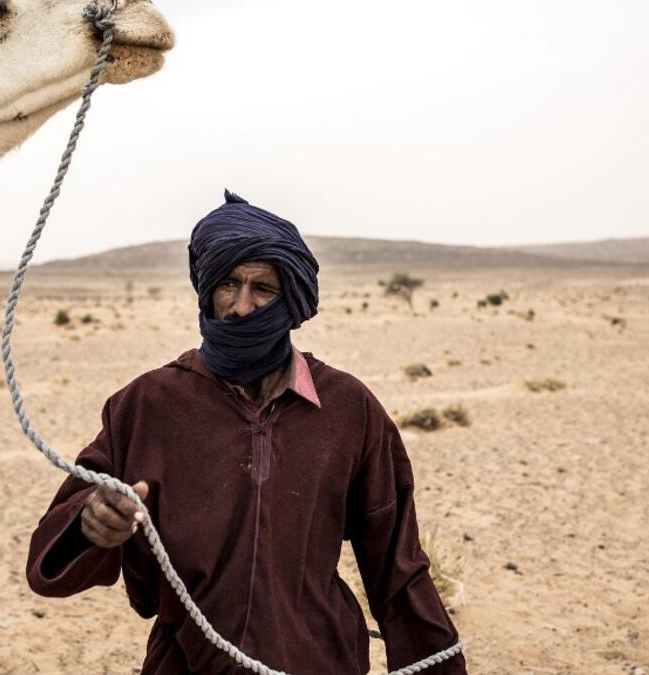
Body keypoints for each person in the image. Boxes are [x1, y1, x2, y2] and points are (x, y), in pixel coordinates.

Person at [25, 191, 466, 674]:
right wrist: (92, 525)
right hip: (187, 663)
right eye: (228, 283)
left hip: (321, 660)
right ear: (207, 290)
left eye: (263, 289)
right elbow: (52, 559)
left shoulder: (348, 409)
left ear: (291, 300)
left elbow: (397, 567)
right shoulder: (146, 406)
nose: (240, 307)